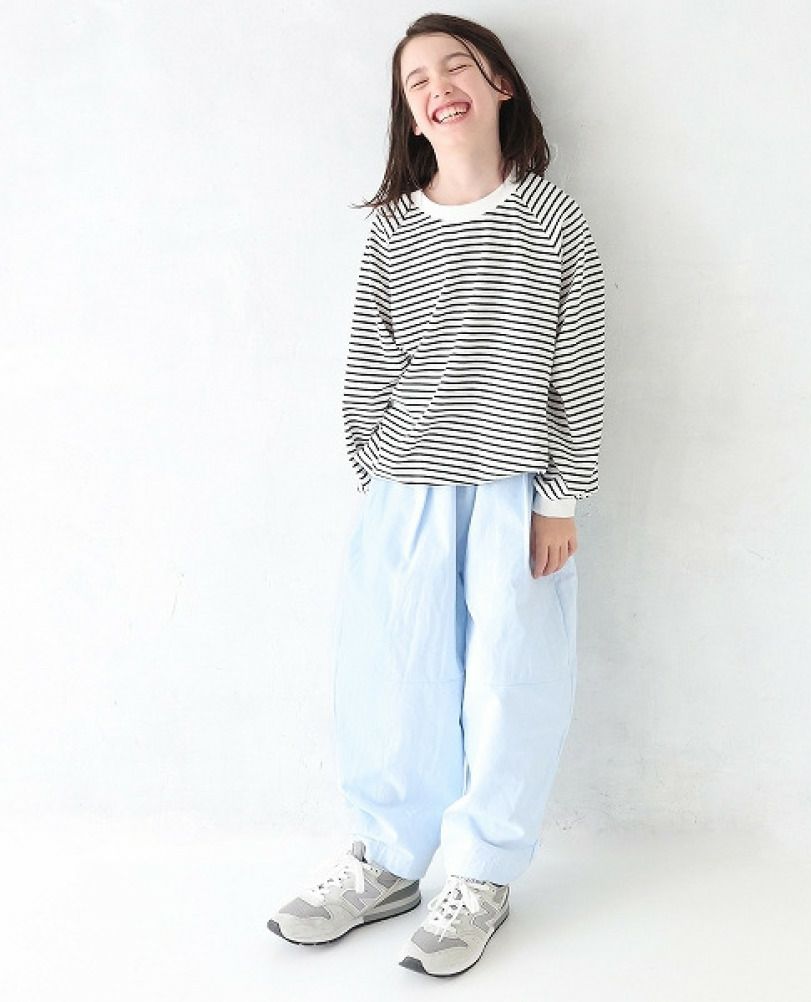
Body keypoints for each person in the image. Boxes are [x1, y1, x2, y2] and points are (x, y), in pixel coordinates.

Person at [268, 12, 606, 977]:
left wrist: (561, 496)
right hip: (406, 495)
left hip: (512, 491)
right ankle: (387, 860)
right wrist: (375, 465)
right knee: (393, 676)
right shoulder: (394, 228)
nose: (439, 86)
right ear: (409, 116)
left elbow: (578, 362)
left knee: (509, 683)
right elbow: (371, 358)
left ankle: (483, 875)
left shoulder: (550, 217)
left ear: (502, 85)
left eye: (459, 67)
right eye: (417, 81)